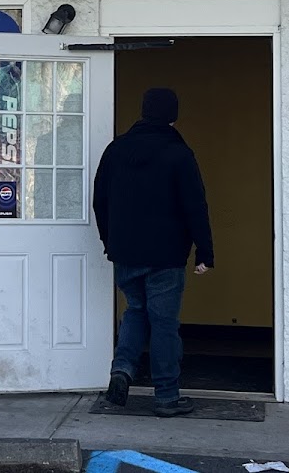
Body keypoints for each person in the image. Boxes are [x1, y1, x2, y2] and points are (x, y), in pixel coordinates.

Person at [91, 87, 214, 417]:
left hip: (125, 252)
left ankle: (122, 371)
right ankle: (167, 396)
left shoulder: (116, 149)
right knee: (163, 323)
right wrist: (205, 251)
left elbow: (100, 200)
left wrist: (109, 242)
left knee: (135, 310)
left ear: (144, 112)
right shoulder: (179, 153)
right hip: (166, 255)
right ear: (173, 116)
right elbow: (195, 206)